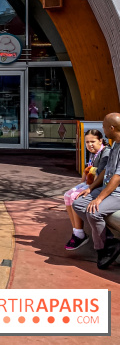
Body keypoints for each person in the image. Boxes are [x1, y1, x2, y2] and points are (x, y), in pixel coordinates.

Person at [73, 113, 120, 269]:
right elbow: (107, 170)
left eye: (104, 126)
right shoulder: (115, 144)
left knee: (94, 212)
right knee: (78, 203)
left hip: (117, 193)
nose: (103, 129)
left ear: (112, 128)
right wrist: (91, 188)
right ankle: (111, 241)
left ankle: (103, 250)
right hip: (107, 188)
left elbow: (117, 178)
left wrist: (99, 198)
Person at [63, 129, 109, 249]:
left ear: (101, 140)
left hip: (100, 186)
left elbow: (101, 175)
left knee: (75, 197)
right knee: (67, 195)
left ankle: (79, 234)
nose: (90, 145)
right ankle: (77, 231)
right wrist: (81, 184)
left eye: (92, 141)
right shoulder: (93, 152)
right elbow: (87, 170)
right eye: (87, 142)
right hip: (91, 183)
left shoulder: (106, 153)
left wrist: (85, 186)